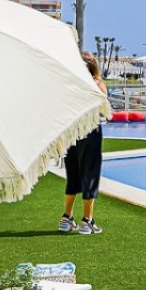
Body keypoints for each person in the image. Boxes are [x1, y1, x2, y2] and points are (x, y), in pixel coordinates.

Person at [60, 54, 108, 235]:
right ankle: (87, 220)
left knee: (73, 176)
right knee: (90, 176)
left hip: (71, 134)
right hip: (90, 132)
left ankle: (66, 217)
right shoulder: (97, 84)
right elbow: (104, 108)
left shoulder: (71, 85)